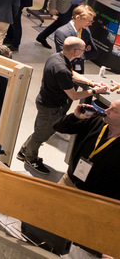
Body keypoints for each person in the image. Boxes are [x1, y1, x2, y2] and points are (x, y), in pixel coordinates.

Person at [17, 37, 108, 175]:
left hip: (45, 101)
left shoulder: (56, 57)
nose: (85, 51)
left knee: (41, 130)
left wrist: (90, 82)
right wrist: (95, 91)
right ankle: (30, 158)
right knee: (42, 134)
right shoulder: (61, 69)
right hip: (51, 108)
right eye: (83, 49)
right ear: (76, 51)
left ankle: (25, 150)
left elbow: (71, 74)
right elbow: (74, 96)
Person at [53, 101, 120, 203]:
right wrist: (75, 117)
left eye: (113, 110)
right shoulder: (95, 121)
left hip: (95, 199)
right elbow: (58, 127)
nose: (106, 111)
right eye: (109, 107)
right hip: (68, 182)